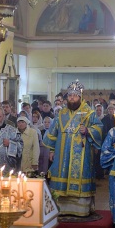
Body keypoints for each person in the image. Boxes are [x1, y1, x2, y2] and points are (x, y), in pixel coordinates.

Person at [42, 81, 103, 217]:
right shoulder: (61, 113)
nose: (72, 98)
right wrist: (51, 150)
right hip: (61, 153)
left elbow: (99, 128)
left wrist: (87, 130)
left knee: (80, 176)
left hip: (82, 152)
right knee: (61, 177)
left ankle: (81, 209)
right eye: (70, 96)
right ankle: (61, 208)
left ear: (80, 97)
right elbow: (53, 132)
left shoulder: (89, 113)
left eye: (75, 96)